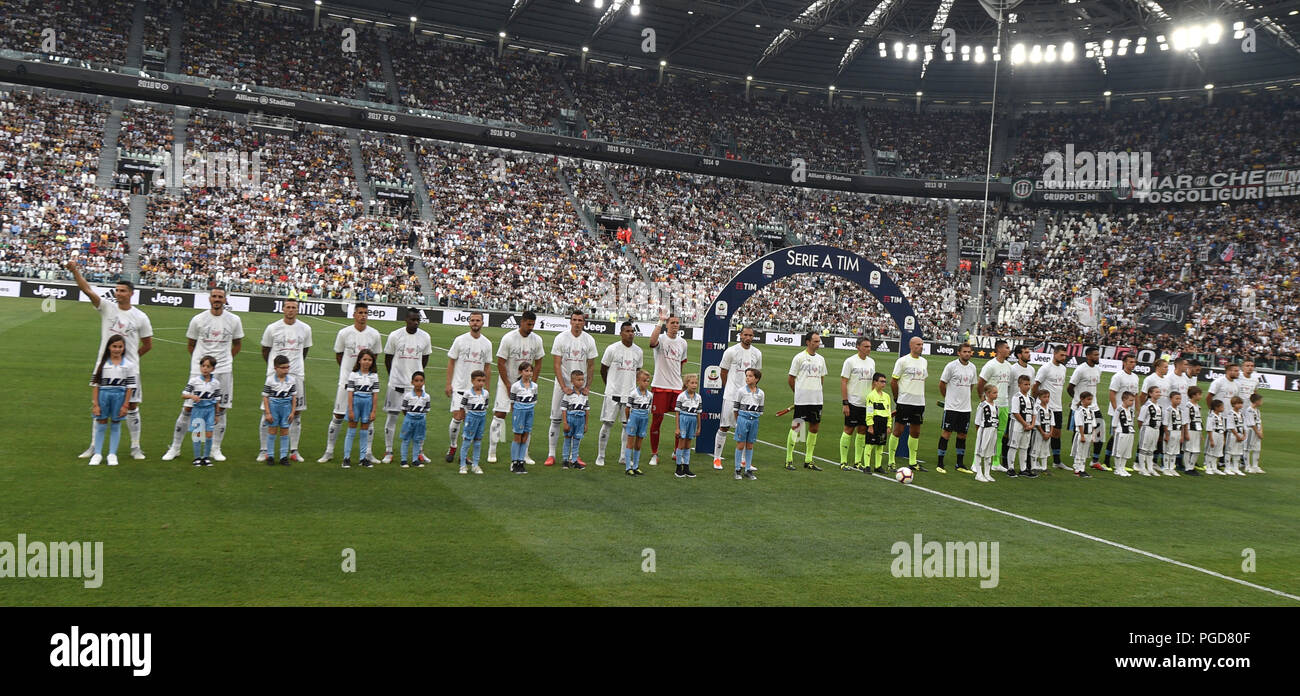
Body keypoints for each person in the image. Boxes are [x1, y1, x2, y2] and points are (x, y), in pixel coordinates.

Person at [68, 261, 153, 461]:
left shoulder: (140, 316)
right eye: (116, 290)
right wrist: (75, 271)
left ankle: (135, 446)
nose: (118, 293)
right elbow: (87, 290)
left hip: (130, 370)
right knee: (98, 404)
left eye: (122, 290)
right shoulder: (107, 308)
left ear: (131, 293)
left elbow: (148, 344)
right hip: (104, 367)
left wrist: (130, 361)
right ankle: (93, 446)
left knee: (132, 406)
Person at [164, 288, 243, 462]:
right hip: (199, 371)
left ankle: (215, 448)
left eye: (220, 297)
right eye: (214, 296)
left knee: (220, 409)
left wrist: (225, 360)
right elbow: (191, 344)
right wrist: (201, 366)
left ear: (225, 299)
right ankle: (175, 447)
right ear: (209, 299)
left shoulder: (234, 320)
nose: (217, 299)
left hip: (223, 371)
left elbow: (237, 344)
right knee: (188, 408)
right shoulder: (198, 319)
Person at [319, 304, 383, 463]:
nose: (363, 316)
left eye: (366, 313)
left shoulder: (374, 334)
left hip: (366, 384)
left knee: (367, 418)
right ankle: (329, 451)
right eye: (360, 313)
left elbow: (374, 357)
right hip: (346, 381)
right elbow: (339, 355)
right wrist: (350, 373)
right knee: (338, 415)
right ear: (354, 314)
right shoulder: (344, 333)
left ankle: (367, 453)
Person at [259, 298, 313, 462]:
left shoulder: (305, 329)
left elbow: (304, 351)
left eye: (294, 307)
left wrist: (293, 369)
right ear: (283, 309)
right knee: (266, 413)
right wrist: (275, 369)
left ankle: (294, 451)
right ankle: (264, 451)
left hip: (296, 375)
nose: (290, 310)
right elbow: (265, 350)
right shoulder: (272, 328)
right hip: (274, 376)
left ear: (297, 310)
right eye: (288, 307)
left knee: (296, 413)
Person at [490, 311, 545, 466]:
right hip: (507, 382)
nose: (531, 327)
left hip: (526, 386)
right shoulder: (508, 338)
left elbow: (539, 362)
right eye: (529, 324)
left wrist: (531, 383)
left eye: (533, 324)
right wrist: (508, 384)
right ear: (522, 322)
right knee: (500, 414)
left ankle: (525, 454)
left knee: (527, 417)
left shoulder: (537, 340)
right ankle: (492, 451)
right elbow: (500, 362)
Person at [547, 309, 598, 467]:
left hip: (580, 388)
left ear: (584, 322)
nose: (577, 323)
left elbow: (591, 366)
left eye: (580, 320)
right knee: (556, 418)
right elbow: (556, 364)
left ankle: (573, 456)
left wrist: (587, 386)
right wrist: (563, 386)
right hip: (562, 385)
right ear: (570, 321)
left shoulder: (589, 340)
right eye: (574, 320)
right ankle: (551, 454)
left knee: (578, 421)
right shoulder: (561, 338)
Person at [382, 308, 432, 464]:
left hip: (415, 388)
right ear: (406, 319)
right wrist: (394, 376)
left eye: (418, 320)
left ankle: (419, 452)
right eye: (413, 319)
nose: (415, 322)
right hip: (396, 385)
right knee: (392, 417)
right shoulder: (395, 335)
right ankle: (388, 451)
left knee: (419, 420)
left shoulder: (425, 337)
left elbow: (424, 359)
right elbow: (388, 359)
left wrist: (416, 377)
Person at [445, 311, 492, 464]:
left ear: (482, 323)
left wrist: (487, 389)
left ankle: (464, 454)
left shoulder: (487, 343)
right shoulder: (459, 340)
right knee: (457, 418)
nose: (475, 323)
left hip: (477, 391)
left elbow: (487, 367)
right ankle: (453, 446)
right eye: (472, 320)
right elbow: (451, 362)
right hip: (459, 387)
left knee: (471, 423)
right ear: (469, 322)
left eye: (478, 320)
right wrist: (448, 383)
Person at [597, 322, 643, 468]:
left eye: (632, 331)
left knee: (627, 426)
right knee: (607, 424)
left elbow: (638, 372)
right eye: (627, 331)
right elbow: (603, 369)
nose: (630, 334)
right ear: (621, 333)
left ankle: (623, 456)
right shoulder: (612, 349)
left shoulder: (638, 351)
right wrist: (609, 386)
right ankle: (601, 455)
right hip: (613, 394)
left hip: (629, 395)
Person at [715, 327, 762, 469]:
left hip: (749, 397)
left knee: (746, 429)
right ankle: (717, 458)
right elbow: (723, 371)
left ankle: (744, 460)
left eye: (750, 335)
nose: (748, 337)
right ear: (740, 335)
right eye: (745, 335)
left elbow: (757, 374)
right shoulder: (731, 351)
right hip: (731, 395)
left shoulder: (757, 353)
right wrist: (728, 388)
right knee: (724, 426)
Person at [88, 335, 137, 467]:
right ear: (109, 347)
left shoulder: (128, 365)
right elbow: (95, 385)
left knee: (116, 424)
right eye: (114, 346)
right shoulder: (101, 364)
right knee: (101, 423)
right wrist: (96, 404)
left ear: (124, 348)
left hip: (119, 396)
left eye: (120, 347)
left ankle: (112, 454)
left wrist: (125, 405)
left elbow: (130, 387)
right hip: (104, 395)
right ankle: (97, 453)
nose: (117, 349)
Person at [647, 310, 688, 467]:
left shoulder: (683, 343)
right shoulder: (661, 339)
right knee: (657, 420)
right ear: (667, 325)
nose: (675, 325)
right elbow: (651, 342)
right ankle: (654, 454)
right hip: (660, 386)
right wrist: (660, 321)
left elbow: (681, 364)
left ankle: (676, 452)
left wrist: (682, 383)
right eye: (672, 323)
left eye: (677, 323)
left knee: (681, 420)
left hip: (676, 388)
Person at [786, 331, 827, 471]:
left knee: (814, 428)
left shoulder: (821, 359)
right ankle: (789, 460)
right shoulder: (799, 358)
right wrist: (798, 393)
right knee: (797, 428)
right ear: (808, 342)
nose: (818, 343)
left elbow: (822, 378)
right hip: (802, 400)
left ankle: (808, 460)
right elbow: (791, 379)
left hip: (816, 400)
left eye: (818, 341)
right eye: (815, 341)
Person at [936, 343, 977, 475]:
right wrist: (948, 398)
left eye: (969, 352)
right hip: (952, 407)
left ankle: (959, 464)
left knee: (962, 435)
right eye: (964, 351)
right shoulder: (951, 366)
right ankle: (940, 463)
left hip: (966, 408)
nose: (967, 354)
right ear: (958, 353)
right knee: (946, 433)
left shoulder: (973, 367)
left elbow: (971, 386)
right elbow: (942, 384)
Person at [889, 337, 928, 471]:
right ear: (911, 345)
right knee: (898, 431)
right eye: (918, 344)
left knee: (916, 432)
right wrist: (896, 398)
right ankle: (891, 461)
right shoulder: (902, 361)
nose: (921, 346)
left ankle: (913, 462)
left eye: (922, 344)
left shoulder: (924, 361)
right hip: (904, 402)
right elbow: (893, 381)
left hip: (919, 402)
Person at [839, 337, 875, 471]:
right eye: (866, 346)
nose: (868, 349)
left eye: (870, 346)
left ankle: (858, 461)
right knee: (848, 429)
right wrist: (845, 403)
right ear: (858, 347)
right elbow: (843, 381)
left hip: (866, 404)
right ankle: (843, 461)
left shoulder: (872, 362)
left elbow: (872, 383)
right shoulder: (850, 361)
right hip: (853, 402)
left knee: (862, 431)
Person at [342, 349, 380, 469]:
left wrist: (373, 411)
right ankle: (346, 458)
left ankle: (363, 458)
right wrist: (351, 409)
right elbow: (350, 393)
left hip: (367, 404)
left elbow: (375, 395)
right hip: (356, 403)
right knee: (351, 430)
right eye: (364, 359)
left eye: (369, 360)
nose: (367, 362)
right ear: (359, 361)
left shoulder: (374, 376)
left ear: (372, 362)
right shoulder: (353, 375)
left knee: (364, 431)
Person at [1032, 345, 1068, 470]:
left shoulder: (1063, 369)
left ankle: (1057, 461)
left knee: (1056, 433)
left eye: (1065, 355)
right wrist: (1036, 403)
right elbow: (1036, 386)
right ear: (1055, 354)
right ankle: (1035, 460)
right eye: (1061, 355)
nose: (1064, 357)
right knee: (1040, 434)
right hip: (1045, 407)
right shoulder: (1046, 368)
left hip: (1057, 407)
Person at [1067, 346, 1104, 470]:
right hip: (1080, 407)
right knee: (1078, 433)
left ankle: (1095, 460)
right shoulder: (1080, 370)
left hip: (1094, 407)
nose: (1097, 357)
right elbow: (1070, 387)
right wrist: (1077, 401)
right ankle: (1076, 460)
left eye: (1098, 354)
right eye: (1095, 355)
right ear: (1088, 356)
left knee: (1099, 432)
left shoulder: (1098, 369)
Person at [977, 340, 1011, 471]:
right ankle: (977, 461)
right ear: (1000, 350)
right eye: (1007, 348)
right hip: (992, 406)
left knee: (1000, 435)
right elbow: (981, 383)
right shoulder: (990, 365)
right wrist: (982, 397)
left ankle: (996, 463)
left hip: (1004, 404)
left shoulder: (1008, 366)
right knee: (985, 434)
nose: (1009, 350)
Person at [183, 356, 222, 467]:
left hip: (210, 411)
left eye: (208, 366)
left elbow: (217, 400)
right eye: (203, 366)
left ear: (213, 369)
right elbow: (184, 394)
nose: (205, 368)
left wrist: (217, 414)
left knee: (209, 434)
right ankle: (197, 457)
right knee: (198, 434)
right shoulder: (194, 381)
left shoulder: (216, 383)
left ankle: (206, 457)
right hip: (198, 410)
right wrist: (192, 396)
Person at [261, 355, 298, 466]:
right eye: (283, 367)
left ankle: (283, 457)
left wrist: (292, 412)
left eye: (287, 367)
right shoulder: (270, 380)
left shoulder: (291, 380)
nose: (286, 370)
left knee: (285, 431)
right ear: (276, 368)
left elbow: (294, 397)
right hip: (274, 406)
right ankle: (270, 456)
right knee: (272, 431)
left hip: (286, 407)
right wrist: (267, 413)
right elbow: (266, 397)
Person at [1003, 345, 1036, 466]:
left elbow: (1032, 389)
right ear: (1019, 355)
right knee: (1009, 437)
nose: (1029, 354)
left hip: (1027, 409)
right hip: (1013, 409)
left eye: (1029, 352)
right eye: (1026, 352)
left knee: (1025, 439)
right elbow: (1007, 387)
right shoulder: (1013, 369)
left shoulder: (1031, 370)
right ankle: (1006, 463)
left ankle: (1024, 466)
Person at [1105, 354, 1140, 469]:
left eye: (1134, 362)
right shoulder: (1118, 376)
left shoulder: (1135, 377)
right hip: (1119, 412)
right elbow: (1112, 393)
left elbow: (1136, 395)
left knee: (1126, 436)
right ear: (1124, 363)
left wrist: (1138, 410)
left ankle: (1121, 463)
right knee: (1116, 436)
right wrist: (1117, 411)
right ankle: (1106, 460)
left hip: (1130, 413)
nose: (1133, 364)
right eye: (1130, 362)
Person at [1139, 359, 1172, 471]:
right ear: (1158, 367)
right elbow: (1143, 395)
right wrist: (1142, 410)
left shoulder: (1167, 381)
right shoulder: (1150, 379)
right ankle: (1138, 462)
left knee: (1158, 439)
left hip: (1162, 413)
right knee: (1145, 439)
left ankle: (1152, 462)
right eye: (1165, 367)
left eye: (1167, 367)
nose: (1167, 369)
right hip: (1151, 414)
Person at [456, 370, 491, 475]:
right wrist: (464, 418)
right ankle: (463, 465)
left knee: (478, 442)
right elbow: (462, 407)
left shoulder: (486, 393)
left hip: (482, 418)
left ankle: (475, 465)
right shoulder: (467, 393)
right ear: (472, 381)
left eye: (483, 381)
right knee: (467, 441)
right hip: (471, 419)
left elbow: (485, 406)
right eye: (478, 380)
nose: (481, 383)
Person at [732, 368, 764, 480]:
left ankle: (748, 469)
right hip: (742, 419)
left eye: (750, 376)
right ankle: (737, 469)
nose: (747, 378)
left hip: (754, 420)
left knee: (750, 445)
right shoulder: (741, 391)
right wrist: (738, 421)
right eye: (746, 375)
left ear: (757, 379)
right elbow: (735, 408)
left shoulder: (761, 393)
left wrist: (754, 418)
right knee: (740, 444)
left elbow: (760, 410)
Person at [508, 362, 540, 475]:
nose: (529, 373)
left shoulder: (534, 386)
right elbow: (512, 401)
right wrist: (516, 413)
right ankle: (514, 462)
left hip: (529, 412)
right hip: (519, 412)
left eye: (530, 371)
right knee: (517, 436)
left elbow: (534, 400)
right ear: (520, 372)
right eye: (526, 371)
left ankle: (521, 461)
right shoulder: (515, 386)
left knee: (525, 436)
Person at [623, 369, 654, 476]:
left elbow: (649, 408)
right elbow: (627, 409)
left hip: (644, 418)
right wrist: (628, 420)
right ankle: (628, 467)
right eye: (644, 380)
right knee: (630, 443)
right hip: (634, 418)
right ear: (638, 381)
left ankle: (636, 466)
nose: (646, 383)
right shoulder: (633, 394)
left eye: (648, 381)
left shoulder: (650, 395)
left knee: (639, 443)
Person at [399, 371, 432, 469]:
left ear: (424, 382)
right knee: (406, 439)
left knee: (418, 440)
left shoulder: (426, 396)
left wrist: (420, 416)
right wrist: (409, 416)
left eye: (421, 381)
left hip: (420, 420)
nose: (419, 383)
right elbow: (404, 408)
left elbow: (426, 409)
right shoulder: (408, 395)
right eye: (416, 381)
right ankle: (403, 460)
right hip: (409, 419)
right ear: (412, 382)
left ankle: (415, 460)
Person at [559, 370, 591, 471]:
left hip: (580, 420)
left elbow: (587, 410)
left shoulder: (584, 395)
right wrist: (565, 422)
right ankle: (565, 459)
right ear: (572, 381)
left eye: (582, 380)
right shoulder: (568, 394)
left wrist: (586, 424)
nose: (581, 382)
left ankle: (574, 460)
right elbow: (564, 409)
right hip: (570, 418)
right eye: (578, 380)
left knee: (577, 440)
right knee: (567, 439)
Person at [1007, 375, 1036, 478]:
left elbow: (1034, 413)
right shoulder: (1016, 397)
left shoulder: (1032, 399)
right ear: (1019, 385)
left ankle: (1023, 469)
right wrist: (1025, 424)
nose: (1028, 387)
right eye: (1025, 384)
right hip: (1017, 425)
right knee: (1013, 446)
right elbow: (1015, 412)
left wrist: (1032, 425)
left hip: (1028, 426)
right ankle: (1010, 468)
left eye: (1029, 384)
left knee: (1024, 447)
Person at [674, 373, 701, 478]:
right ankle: (678, 467)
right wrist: (677, 428)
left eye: (696, 383)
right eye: (692, 383)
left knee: (688, 444)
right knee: (681, 443)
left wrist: (699, 427)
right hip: (683, 420)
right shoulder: (681, 396)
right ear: (686, 384)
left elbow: (698, 413)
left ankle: (686, 467)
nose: (694, 385)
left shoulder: (698, 397)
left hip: (693, 421)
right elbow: (677, 413)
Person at [863, 373, 892, 473]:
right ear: (875, 382)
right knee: (870, 444)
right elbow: (869, 412)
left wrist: (889, 425)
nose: (884, 384)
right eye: (881, 381)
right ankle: (866, 466)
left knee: (880, 444)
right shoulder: (871, 396)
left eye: (885, 381)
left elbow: (888, 412)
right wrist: (870, 425)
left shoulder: (887, 396)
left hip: (883, 422)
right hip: (875, 421)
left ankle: (878, 466)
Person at [1136, 386, 1163, 477]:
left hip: (1156, 430)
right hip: (1147, 428)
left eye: (1159, 392)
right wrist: (1143, 430)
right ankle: (1142, 468)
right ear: (1150, 394)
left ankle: (1150, 468)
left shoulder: (1158, 406)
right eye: (1156, 392)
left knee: (1151, 450)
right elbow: (1140, 420)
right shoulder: (1146, 406)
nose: (1159, 393)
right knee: (1143, 449)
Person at [1070, 391, 1096, 478]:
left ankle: (1083, 469)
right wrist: (1082, 436)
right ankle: (1077, 470)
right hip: (1082, 434)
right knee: (1079, 452)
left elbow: (1093, 424)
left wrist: (1093, 436)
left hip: (1088, 434)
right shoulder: (1079, 411)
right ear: (1082, 399)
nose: (1090, 401)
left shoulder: (1091, 411)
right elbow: (1080, 424)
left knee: (1085, 453)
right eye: (1088, 399)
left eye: (1091, 399)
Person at [1110, 392, 1136, 477]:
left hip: (1130, 432)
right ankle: (1117, 469)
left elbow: (1132, 421)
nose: (1132, 402)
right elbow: (1114, 422)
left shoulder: (1131, 411)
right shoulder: (1119, 409)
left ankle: (1122, 467)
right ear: (1124, 400)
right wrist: (1115, 432)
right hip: (1121, 432)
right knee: (1119, 451)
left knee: (1126, 452)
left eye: (1133, 401)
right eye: (1130, 400)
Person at [1181, 386, 1203, 475]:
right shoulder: (1188, 406)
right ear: (1194, 395)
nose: (1201, 396)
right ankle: (1187, 468)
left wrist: (1201, 433)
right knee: (1188, 449)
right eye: (1199, 394)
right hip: (1190, 430)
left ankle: (1191, 467)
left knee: (1196, 450)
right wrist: (1185, 433)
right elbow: (1185, 420)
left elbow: (1199, 420)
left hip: (1197, 430)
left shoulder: (1197, 406)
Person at [1031, 388, 1053, 473]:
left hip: (1047, 433)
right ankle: (1033, 467)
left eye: (1048, 397)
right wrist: (1043, 433)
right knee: (1036, 449)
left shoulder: (1050, 409)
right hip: (1039, 433)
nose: (1046, 399)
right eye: (1044, 397)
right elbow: (1037, 422)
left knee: (1045, 450)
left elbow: (1052, 422)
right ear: (1039, 398)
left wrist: (1050, 433)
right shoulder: (1037, 408)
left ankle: (1044, 467)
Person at [1224, 396, 1247, 476]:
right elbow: (1231, 426)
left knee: (1238, 452)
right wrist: (1237, 435)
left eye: (1241, 403)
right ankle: (1227, 468)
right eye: (1238, 403)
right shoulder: (1231, 413)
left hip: (1240, 435)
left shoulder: (1241, 414)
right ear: (1233, 404)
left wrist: (1244, 435)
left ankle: (1235, 468)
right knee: (1229, 451)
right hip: (1232, 435)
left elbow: (1244, 425)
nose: (1240, 405)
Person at [1204, 399, 1227, 475]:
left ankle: (1214, 467)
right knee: (1210, 452)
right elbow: (1209, 428)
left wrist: (1223, 438)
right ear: (1216, 408)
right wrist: (1211, 439)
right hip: (1213, 434)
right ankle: (1208, 467)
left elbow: (1223, 428)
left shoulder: (1221, 416)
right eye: (1222, 407)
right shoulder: (1211, 416)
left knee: (1217, 452)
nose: (1223, 408)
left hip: (1220, 434)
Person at [1244, 393, 1264, 474]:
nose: (1262, 402)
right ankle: (1247, 466)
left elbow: (1259, 421)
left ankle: (1255, 466)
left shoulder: (1257, 410)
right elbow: (1252, 423)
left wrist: (1261, 431)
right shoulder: (1249, 410)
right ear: (1256, 401)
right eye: (1260, 401)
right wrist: (1258, 432)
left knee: (1257, 449)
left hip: (1257, 431)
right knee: (1247, 449)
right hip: (1251, 431)